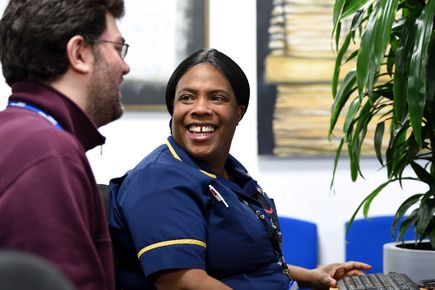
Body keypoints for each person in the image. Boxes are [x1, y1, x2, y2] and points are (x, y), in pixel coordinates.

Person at [108, 48, 371, 290]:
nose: (200, 109)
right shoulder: (160, 179)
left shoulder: (231, 174)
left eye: (217, 98)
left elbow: (248, 265)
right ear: (173, 110)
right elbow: (183, 283)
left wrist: (311, 275)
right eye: (187, 98)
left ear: (239, 112)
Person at [0, 0, 130, 290]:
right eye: (118, 49)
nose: (125, 66)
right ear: (79, 52)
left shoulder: (17, 134)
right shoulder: (47, 153)